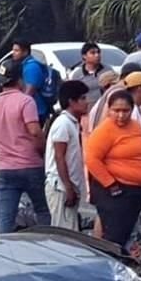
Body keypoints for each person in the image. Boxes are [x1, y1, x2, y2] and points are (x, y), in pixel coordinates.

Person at [0, 58, 51, 234]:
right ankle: (47, 244)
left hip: (4, 169)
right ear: (20, 80)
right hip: (30, 164)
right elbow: (35, 131)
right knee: (42, 210)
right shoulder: (26, 102)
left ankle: (8, 250)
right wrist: (42, 151)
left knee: (6, 216)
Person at [84, 90, 141, 249]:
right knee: (114, 238)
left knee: (125, 235)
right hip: (115, 191)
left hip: (136, 191)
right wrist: (111, 184)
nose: (121, 115)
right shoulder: (104, 130)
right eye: (116, 110)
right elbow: (92, 160)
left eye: (125, 110)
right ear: (109, 110)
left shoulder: (135, 126)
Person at [45, 81, 89, 230]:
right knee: (63, 233)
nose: (86, 102)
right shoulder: (63, 123)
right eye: (82, 98)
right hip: (60, 186)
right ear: (71, 101)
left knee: (70, 229)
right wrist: (68, 187)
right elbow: (59, 157)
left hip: (68, 185)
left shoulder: (73, 123)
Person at [11, 39, 53, 125]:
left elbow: (29, 92)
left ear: (25, 52)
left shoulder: (31, 67)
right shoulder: (25, 65)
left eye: (16, 50)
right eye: (13, 50)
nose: (13, 53)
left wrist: (18, 110)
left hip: (37, 111)